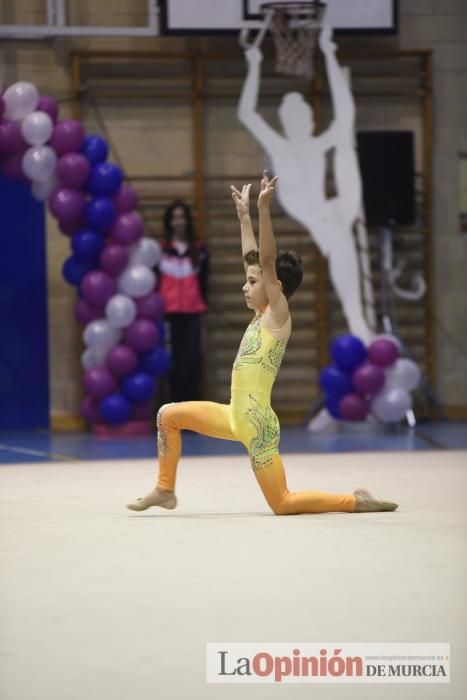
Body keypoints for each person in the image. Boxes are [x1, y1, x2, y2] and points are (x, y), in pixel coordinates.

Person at [127, 173, 398, 515]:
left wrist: (264, 210)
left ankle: (356, 500)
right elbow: (254, 260)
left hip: (257, 427)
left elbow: (266, 264)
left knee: (282, 503)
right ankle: (165, 490)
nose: (245, 286)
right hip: (233, 416)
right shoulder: (261, 313)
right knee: (168, 415)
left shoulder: (277, 317)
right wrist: (243, 217)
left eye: (252, 283)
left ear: (275, 287)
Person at [238, 25, 373, 343]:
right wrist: (255, 66)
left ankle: (357, 319)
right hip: (312, 212)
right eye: (292, 116)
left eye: (304, 115)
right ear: (286, 121)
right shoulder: (281, 145)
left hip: (331, 209)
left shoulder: (316, 143)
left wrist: (329, 53)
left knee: (343, 144)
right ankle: (357, 319)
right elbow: (247, 113)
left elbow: (345, 115)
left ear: (311, 119)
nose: (300, 121)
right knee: (339, 239)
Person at [157, 200, 209, 402]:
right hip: (168, 314)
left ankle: (191, 411)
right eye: (174, 218)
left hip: (193, 313)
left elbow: (204, 282)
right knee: (172, 363)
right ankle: (172, 410)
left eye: (182, 217)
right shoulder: (161, 250)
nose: (178, 222)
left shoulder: (200, 249)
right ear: (169, 222)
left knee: (192, 362)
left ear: (188, 221)